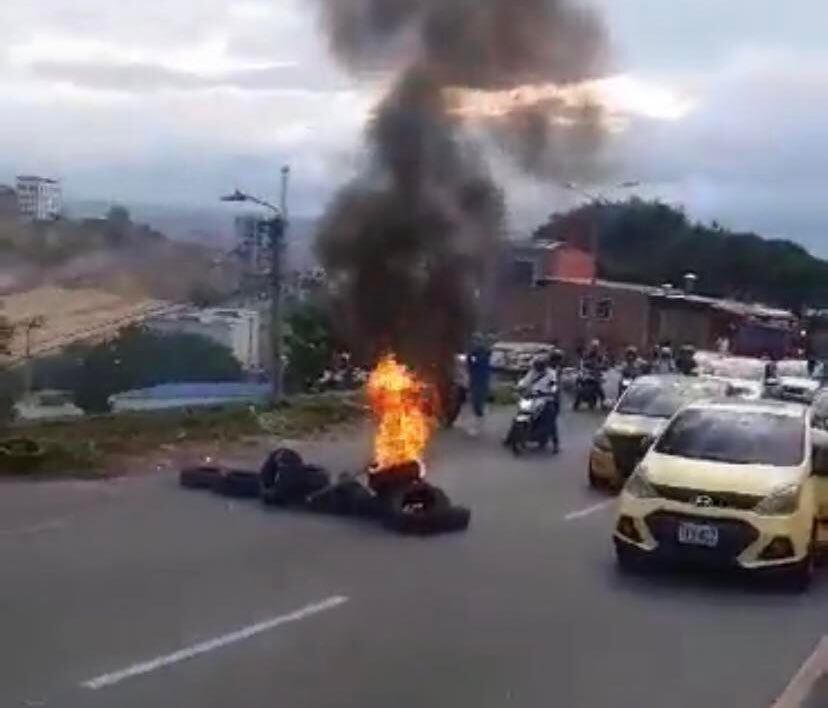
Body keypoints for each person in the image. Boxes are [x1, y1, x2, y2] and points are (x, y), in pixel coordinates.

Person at [517, 354, 560, 453]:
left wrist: (552, 391)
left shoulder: (551, 373)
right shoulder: (532, 372)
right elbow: (525, 381)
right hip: (532, 398)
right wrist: (519, 386)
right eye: (537, 365)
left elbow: (554, 384)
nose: (538, 367)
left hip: (546, 399)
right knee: (520, 413)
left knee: (550, 419)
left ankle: (555, 443)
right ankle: (512, 437)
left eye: (540, 365)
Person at [466, 336, 492, 436]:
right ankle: (476, 423)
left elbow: (483, 364)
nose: (475, 343)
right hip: (474, 380)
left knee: (478, 403)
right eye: (474, 341)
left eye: (477, 341)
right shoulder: (473, 353)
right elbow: (469, 365)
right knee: (474, 403)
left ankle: (478, 425)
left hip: (482, 381)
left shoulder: (485, 353)